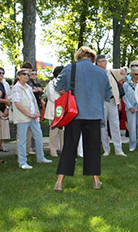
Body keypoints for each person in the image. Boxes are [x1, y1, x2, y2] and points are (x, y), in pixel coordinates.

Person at [54, 46, 112, 192]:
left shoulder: (69, 68)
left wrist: (69, 95)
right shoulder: (101, 72)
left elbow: (58, 87)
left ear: (78, 56)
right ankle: (96, 181)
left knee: (69, 147)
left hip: (74, 113)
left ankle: (59, 182)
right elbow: (108, 94)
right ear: (92, 58)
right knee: (93, 148)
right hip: (94, 114)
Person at [11, 69, 52, 169]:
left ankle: (41, 157)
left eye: (27, 74)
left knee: (38, 136)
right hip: (23, 117)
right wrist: (28, 114)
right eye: (24, 74)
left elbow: (33, 101)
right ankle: (22, 162)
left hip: (33, 116)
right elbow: (17, 104)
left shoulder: (28, 87)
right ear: (18, 76)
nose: (26, 76)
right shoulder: (16, 88)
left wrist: (37, 112)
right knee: (22, 139)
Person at [96, 55, 127, 157]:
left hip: (113, 101)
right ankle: (106, 150)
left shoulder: (110, 72)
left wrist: (123, 70)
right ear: (98, 63)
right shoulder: (95, 73)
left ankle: (119, 150)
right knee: (103, 127)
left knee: (115, 126)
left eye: (106, 60)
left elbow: (123, 72)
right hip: (101, 103)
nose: (105, 62)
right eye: (103, 61)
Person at [123, 67, 138, 151]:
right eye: (136, 74)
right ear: (131, 74)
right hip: (130, 108)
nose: (137, 76)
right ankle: (132, 145)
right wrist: (130, 107)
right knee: (132, 128)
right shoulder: (126, 84)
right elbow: (124, 97)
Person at [44, 66, 65, 157]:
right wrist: (63, 99)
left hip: (63, 110)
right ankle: (53, 150)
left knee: (62, 131)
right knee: (54, 131)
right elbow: (52, 96)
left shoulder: (64, 83)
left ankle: (63, 149)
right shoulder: (51, 84)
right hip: (54, 110)